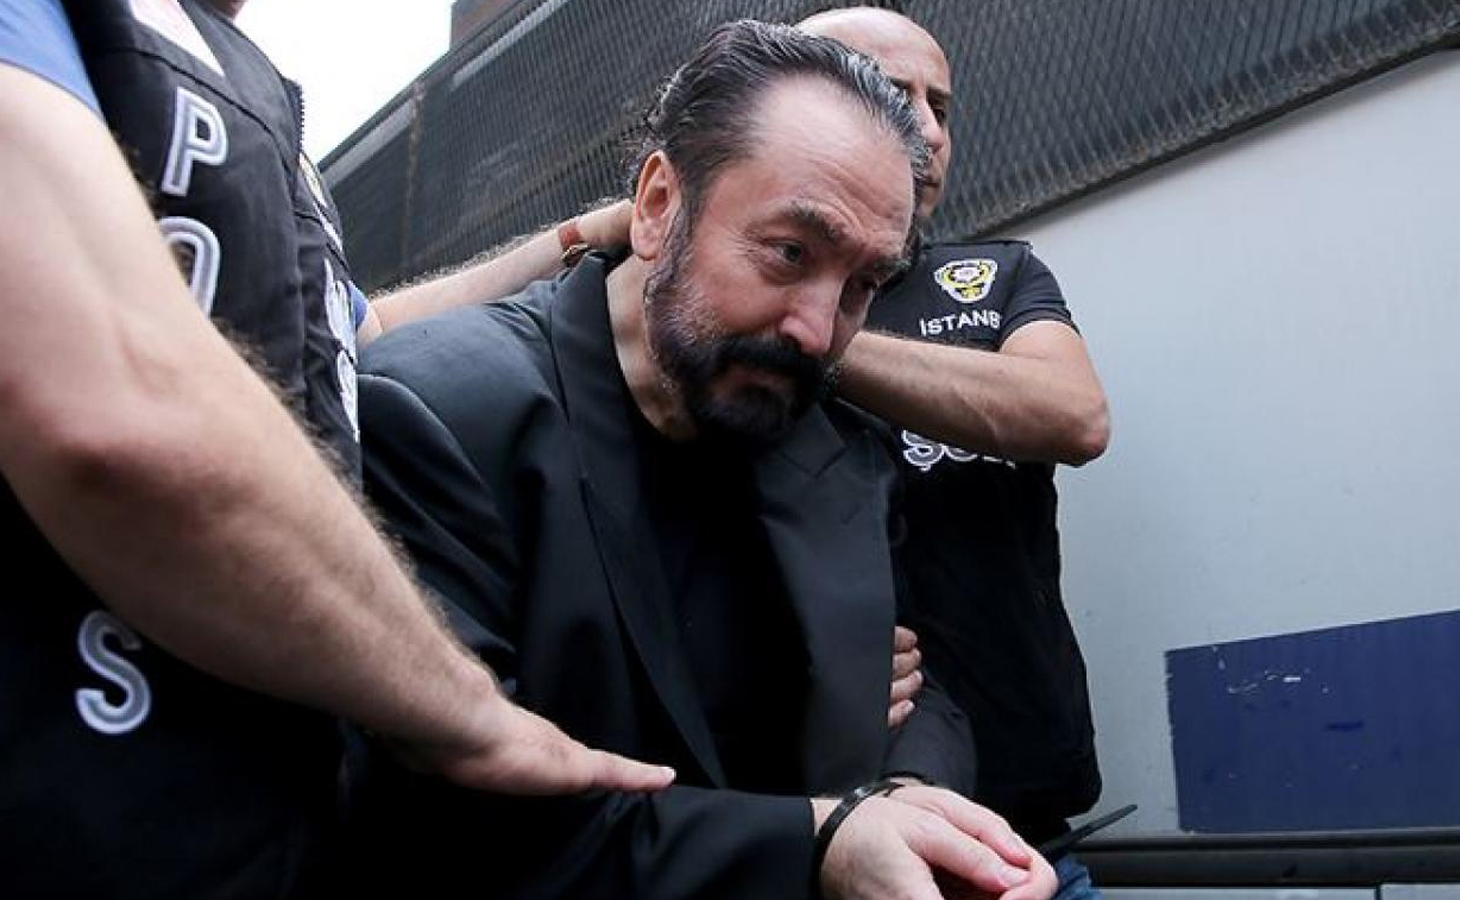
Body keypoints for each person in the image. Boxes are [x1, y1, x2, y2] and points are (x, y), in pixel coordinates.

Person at [355, 20, 1056, 900]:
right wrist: (818, 845)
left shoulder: (840, 447)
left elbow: (921, 693)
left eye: (862, 286)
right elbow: (446, 825)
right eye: (790, 253)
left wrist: (911, 801)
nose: (818, 331)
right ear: (658, 206)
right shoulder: (440, 413)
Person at [0, 1, 669, 897]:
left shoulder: (256, 102)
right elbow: (116, 404)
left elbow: (358, 335)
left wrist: (577, 237)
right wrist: (465, 708)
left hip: (249, 802)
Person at [800, 7, 1113, 895]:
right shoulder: (721, 316)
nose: (930, 131)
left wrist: (811, 344)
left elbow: (1074, 415)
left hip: (1024, 835)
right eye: (891, 94)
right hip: (823, 834)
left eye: (940, 106)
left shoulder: (997, 276)